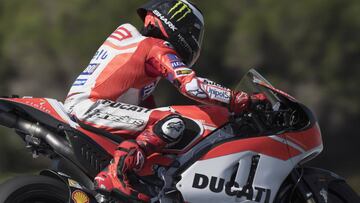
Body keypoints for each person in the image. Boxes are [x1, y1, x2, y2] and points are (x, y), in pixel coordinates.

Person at [64, 0, 266, 202]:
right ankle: (114, 174)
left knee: (164, 126)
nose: (194, 39)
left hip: (88, 105)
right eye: (193, 32)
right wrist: (237, 98)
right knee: (174, 122)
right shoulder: (154, 46)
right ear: (177, 26)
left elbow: (145, 108)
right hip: (90, 106)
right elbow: (191, 85)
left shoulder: (134, 44)